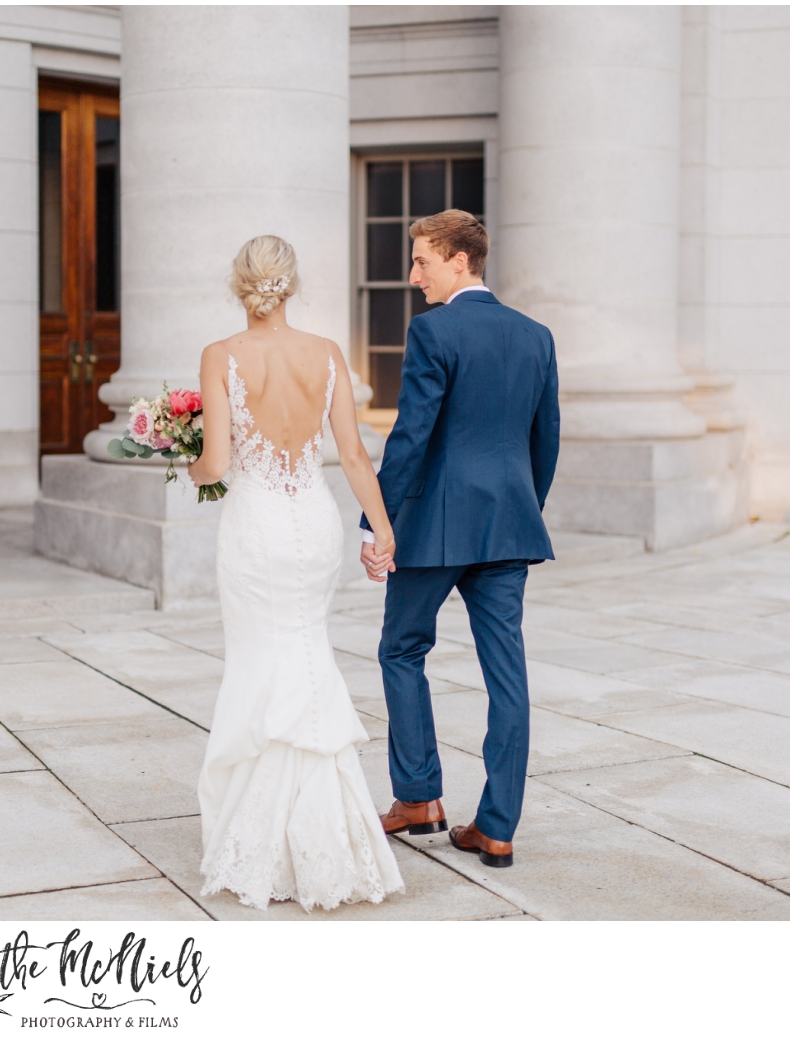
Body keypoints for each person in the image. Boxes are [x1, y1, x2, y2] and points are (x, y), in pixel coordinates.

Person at [191, 234, 407, 911]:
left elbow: (218, 465)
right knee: (309, 658)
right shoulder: (328, 355)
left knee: (258, 661)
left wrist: (186, 461)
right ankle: (326, 836)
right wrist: (383, 528)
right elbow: (353, 456)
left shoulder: (221, 356)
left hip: (255, 526)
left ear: (240, 284)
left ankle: (268, 838)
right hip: (314, 523)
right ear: (291, 285)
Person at [357, 209, 559, 869]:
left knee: (401, 649)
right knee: (508, 676)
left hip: (436, 529)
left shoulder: (433, 331)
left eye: (422, 260)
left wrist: (378, 524)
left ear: (459, 260)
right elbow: (545, 442)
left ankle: (418, 799)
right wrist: (521, 506)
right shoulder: (536, 336)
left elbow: (410, 435)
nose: (413, 275)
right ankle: (497, 828)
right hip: (508, 525)